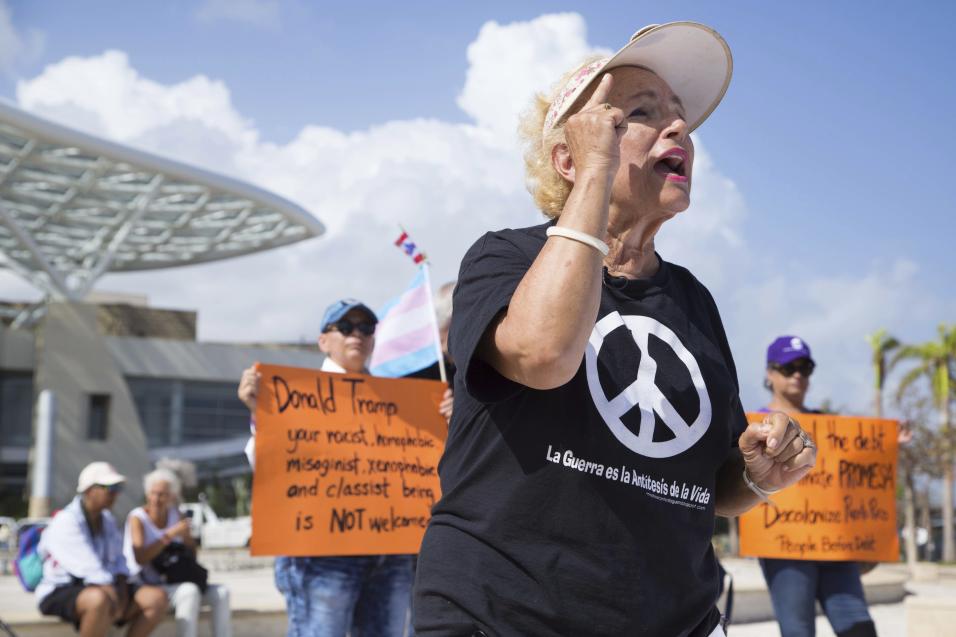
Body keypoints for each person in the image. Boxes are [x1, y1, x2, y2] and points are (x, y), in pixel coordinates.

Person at [412, 21, 818, 636]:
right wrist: (597, 173)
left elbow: (708, 486)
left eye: (680, 116)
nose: (679, 128)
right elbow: (544, 354)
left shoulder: (695, 303)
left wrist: (758, 479)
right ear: (568, 156)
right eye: (640, 112)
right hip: (504, 619)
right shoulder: (505, 259)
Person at [238, 299, 415, 637]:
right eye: (346, 327)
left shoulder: (401, 401)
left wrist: (442, 420)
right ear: (324, 341)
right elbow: (268, 467)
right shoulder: (293, 394)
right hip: (322, 554)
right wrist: (260, 413)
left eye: (366, 328)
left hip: (389, 553)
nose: (357, 335)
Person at [758, 335, 876, 637]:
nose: (798, 374)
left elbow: (858, 480)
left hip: (835, 547)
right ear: (770, 373)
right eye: (788, 367)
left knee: (860, 629)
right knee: (798, 632)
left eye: (805, 367)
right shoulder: (754, 426)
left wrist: (889, 446)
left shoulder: (831, 426)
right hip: (784, 549)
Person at [36, 462, 168, 637]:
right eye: (109, 487)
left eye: (118, 488)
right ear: (89, 490)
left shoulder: (107, 519)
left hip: (104, 586)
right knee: (98, 601)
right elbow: (88, 568)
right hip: (62, 589)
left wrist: (121, 591)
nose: (114, 494)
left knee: (157, 599)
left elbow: (120, 562)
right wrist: (116, 596)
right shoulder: (66, 521)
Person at [123, 468, 232, 637]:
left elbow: (192, 558)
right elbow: (140, 558)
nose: (156, 499)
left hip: (178, 579)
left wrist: (188, 539)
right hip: (150, 585)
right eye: (153, 493)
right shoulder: (137, 518)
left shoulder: (177, 514)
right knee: (189, 591)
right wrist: (169, 536)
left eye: (162, 494)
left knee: (222, 593)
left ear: (172, 496)